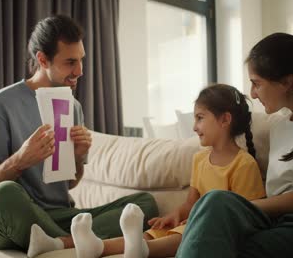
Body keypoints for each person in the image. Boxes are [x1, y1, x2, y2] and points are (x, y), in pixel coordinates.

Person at [0, 15, 158, 253]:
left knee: (144, 204)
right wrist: (21, 159)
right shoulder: (0, 105)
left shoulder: (73, 106)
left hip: (60, 215)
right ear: (42, 59)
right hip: (13, 216)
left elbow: (70, 183)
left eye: (81, 60)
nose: (79, 71)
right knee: (4, 194)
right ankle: (75, 240)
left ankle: (59, 243)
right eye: (70, 62)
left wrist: (78, 157)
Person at [176, 33, 293, 258]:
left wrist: (247, 207)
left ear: (286, 82)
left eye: (257, 84)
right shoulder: (280, 126)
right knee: (214, 206)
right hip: (278, 225)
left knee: (224, 216)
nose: (253, 94)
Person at [27, 84, 266, 258]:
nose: (194, 127)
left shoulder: (243, 164)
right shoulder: (200, 159)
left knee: (178, 237)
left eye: (200, 118)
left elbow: (248, 215)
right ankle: (93, 247)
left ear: (225, 120)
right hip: (191, 222)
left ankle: (142, 252)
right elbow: (191, 202)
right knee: (152, 232)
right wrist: (175, 214)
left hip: (215, 231)